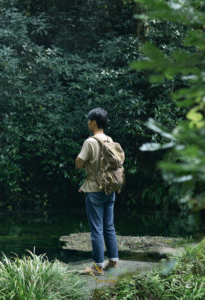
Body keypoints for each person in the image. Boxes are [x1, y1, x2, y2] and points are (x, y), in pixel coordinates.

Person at [75, 107, 119, 276]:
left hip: (94, 189)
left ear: (94, 122)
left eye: (89, 120)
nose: (87, 122)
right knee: (109, 226)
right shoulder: (109, 139)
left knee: (96, 229)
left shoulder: (90, 142)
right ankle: (113, 261)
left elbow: (79, 163)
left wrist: (79, 161)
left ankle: (98, 266)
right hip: (110, 187)